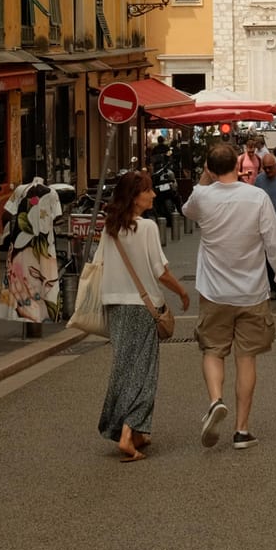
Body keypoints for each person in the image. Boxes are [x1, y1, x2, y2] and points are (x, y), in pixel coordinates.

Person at [182, 143, 276, 449]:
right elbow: (273, 242)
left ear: (208, 167)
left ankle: (216, 400)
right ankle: (242, 430)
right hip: (251, 291)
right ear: (239, 164)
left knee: (212, 349)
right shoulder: (256, 197)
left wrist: (206, 178)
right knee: (246, 358)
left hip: (214, 291)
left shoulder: (201, 197)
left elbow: (187, 209)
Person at [96, 170, 190, 461]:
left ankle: (134, 432)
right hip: (141, 307)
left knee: (124, 367)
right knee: (144, 372)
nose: (153, 195)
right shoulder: (147, 227)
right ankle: (127, 435)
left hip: (114, 304)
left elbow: (99, 264)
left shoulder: (110, 227)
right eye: (147, 191)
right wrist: (183, 292)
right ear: (134, 197)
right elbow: (160, 271)